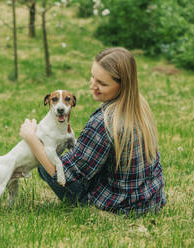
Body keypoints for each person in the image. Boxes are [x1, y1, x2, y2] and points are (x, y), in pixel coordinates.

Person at [20, 47, 166, 215]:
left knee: (44, 164)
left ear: (122, 85)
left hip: (119, 204)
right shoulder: (140, 105)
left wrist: (31, 139)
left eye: (102, 83)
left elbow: (66, 175)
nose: (92, 86)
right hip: (151, 198)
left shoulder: (103, 122)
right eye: (93, 77)